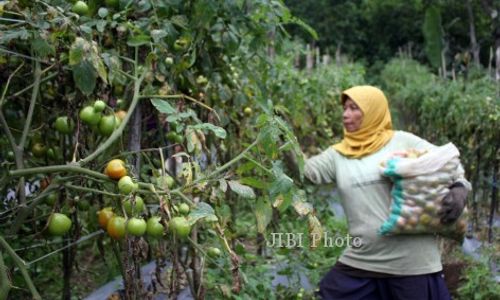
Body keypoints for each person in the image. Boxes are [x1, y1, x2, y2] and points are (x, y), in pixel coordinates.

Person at [300, 86, 470, 299]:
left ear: (373, 110)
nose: (345, 114)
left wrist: (460, 187)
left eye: (354, 108)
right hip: (362, 258)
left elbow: (450, 164)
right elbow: (305, 172)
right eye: (344, 108)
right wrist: (281, 141)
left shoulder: (402, 141)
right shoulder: (337, 154)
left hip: (410, 263)